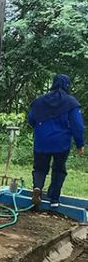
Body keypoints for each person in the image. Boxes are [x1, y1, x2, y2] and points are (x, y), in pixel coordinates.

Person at [28, 74, 85, 208]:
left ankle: (37, 187)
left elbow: (31, 119)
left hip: (42, 141)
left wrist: (40, 129)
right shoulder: (71, 102)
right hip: (61, 143)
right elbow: (77, 124)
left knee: (40, 168)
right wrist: (80, 144)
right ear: (67, 85)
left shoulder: (40, 100)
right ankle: (54, 199)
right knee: (59, 169)